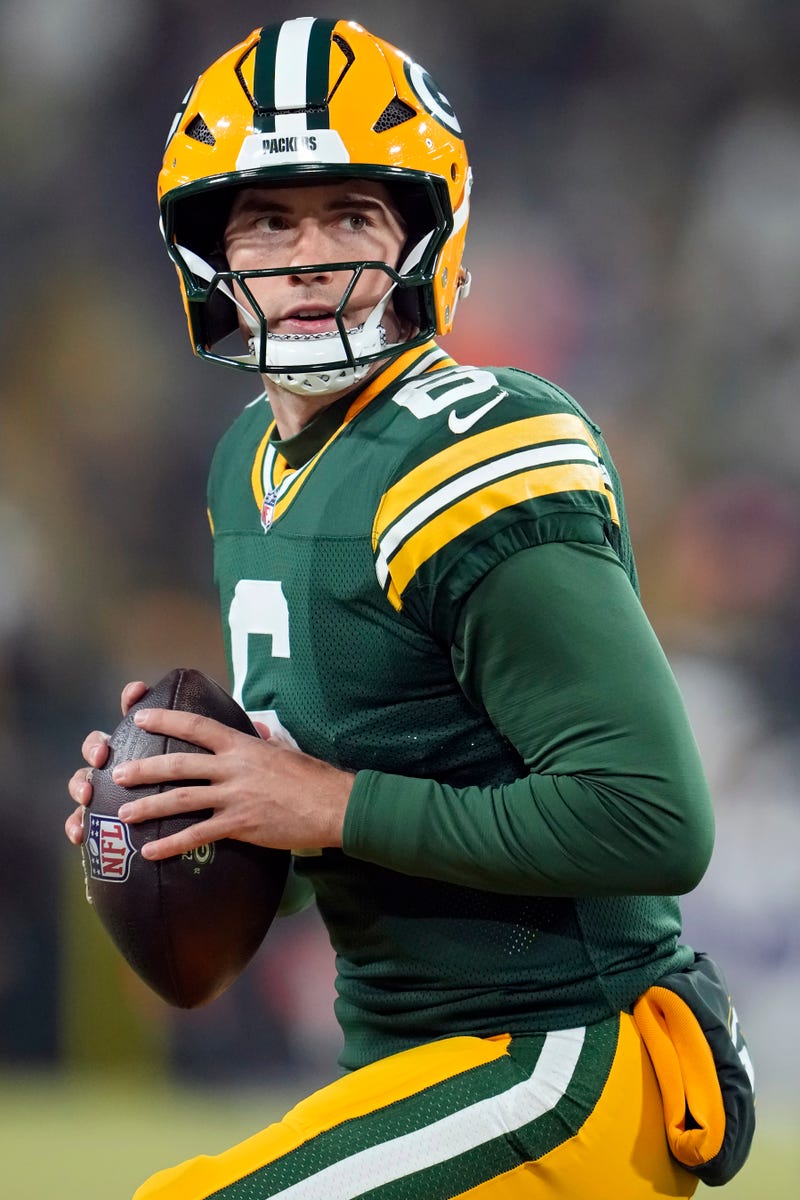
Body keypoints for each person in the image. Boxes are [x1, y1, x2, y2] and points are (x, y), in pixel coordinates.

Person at [66, 17, 754, 1199]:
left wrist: (324, 804)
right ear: (207, 249)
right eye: (270, 219)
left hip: (560, 1057)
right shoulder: (248, 464)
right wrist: (193, 816)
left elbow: (653, 821)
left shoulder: (474, 448)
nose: (310, 255)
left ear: (424, 237)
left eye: (353, 216)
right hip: (403, 1065)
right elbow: (346, 803)